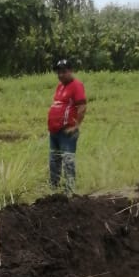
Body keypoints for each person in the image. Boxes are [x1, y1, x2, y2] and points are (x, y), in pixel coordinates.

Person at [47, 58, 87, 195]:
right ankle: (54, 190)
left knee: (68, 160)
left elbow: (82, 107)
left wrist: (76, 126)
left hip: (67, 132)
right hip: (55, 131)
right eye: (58, 72)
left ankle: (70, 191)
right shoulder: (60, 86)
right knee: (54, 160)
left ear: (70, 71)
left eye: (64, 72)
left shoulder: (76, 85)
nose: (60, 75)